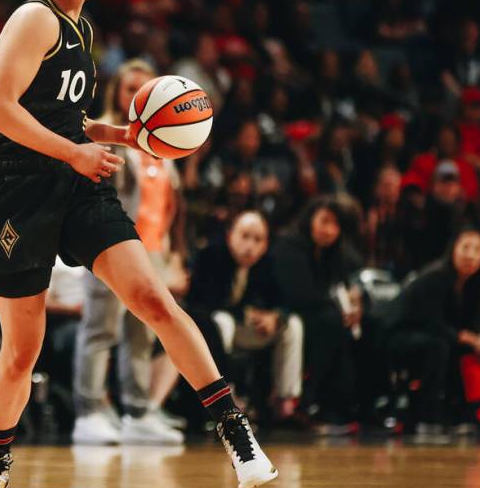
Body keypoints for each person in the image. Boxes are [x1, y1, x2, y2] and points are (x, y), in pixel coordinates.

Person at [0, 0, 276, 488]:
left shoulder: (84, 28)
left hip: (78, 185)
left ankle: (234, 431)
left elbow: (67, 115)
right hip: (17, 188)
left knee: (154, 299)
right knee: (22, 349)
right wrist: (75, 152)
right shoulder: (34, 18)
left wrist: (118, 136)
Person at [72, 59, 185, 446]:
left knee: (143, 334)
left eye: (143, 88)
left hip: (152, 251)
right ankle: (88, 411)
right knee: (100, 329)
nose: (134, 95)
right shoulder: (102, 134)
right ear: (116, 92)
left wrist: (172, 254)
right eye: (128, 87)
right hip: (110, 246)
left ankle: (137, 412)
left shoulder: (162, 141)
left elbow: (169, 205)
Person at [187, 211, 303, 423]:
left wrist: (275, 317)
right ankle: (223, 399)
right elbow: (200, 304)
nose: (250, 245)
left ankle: (285, 402)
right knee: (222, 322)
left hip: (250, 329)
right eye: (245, 236)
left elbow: (287, 302)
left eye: (257, 239)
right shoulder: (210, 255)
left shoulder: (268, 262)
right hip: (215, 330)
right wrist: (247, 313)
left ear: (265, 244)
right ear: (231, 235)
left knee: (292, 325)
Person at [272, 196, 362, 433]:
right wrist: (340, 309)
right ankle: (309, 403)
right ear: (310, 219)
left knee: (358, 326)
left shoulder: (333, 252)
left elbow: (352, 277)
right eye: (324, 221)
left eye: (335, 225)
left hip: (315, 313)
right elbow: (300, 295)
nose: (329, 230)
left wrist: (356, 302)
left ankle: (346, 408)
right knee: (331, 323)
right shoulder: (289, 246)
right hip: (284, 311)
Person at [388, 229, 480, 432]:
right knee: (439, 347)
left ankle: (462, 411)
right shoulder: (435, 277)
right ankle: (425, 416)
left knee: (462, 348)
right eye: (466, 247)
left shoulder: (479, 282)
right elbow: (431, 322)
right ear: (453, 249)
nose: (470, 255)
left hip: (442, 336)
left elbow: (478, 320)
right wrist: (466, 338)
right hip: (401, 335)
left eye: (477, 249)